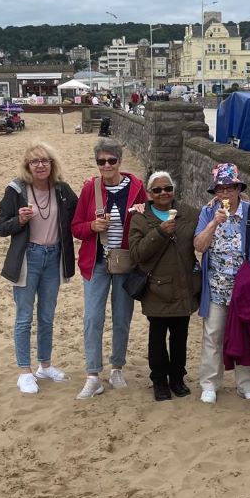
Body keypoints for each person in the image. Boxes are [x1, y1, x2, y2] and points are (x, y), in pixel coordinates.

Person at [0, 142, 78, 395]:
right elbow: (1, 227)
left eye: (45, 161)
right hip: (27, 258)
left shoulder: (62, 190)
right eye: (35, 162)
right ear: (27, 166)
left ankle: (45, 365)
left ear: (52, 164)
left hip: (54, 257)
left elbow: (79, 216)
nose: (40, 165)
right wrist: (19, 220)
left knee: (46, 316)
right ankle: (24, 371)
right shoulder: (16, 189)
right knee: (24, 317)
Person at [71, 138, 147, 399]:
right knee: (93, 318)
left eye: (111, 161)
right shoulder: (89, 189)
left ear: (119, 162)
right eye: (101, 161)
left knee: (122, 318)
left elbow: (149, 220)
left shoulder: (137, 188)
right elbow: (76, 226)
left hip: (126, 261)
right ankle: (93, 375)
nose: (106, 165)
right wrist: (92, 227)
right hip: (97, 263)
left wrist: (141, 213)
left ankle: (117, 367)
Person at [193, 163, 250, 404]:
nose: (225, 193)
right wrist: (214, 223)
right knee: (213, 334)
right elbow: (199, 246)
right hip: (216, 286)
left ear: (238, 188)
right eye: (220, 189)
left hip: (244, 288)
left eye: (230, 188)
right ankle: (210, 384)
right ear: (215, 191)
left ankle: (246, 384)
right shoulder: (207, 213)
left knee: (246, 333)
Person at [129, 171, 199, 402]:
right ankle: (159, 381)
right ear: (149, 193)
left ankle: (177, 378)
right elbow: (137, 253)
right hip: (156, 289)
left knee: (180, 337)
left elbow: (207, 223)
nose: (163, 193)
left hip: (182, 286)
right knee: (157, 339)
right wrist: (159, 232)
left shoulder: (188, 213)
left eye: (167, 188)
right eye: (157, 190)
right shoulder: (141, 218)